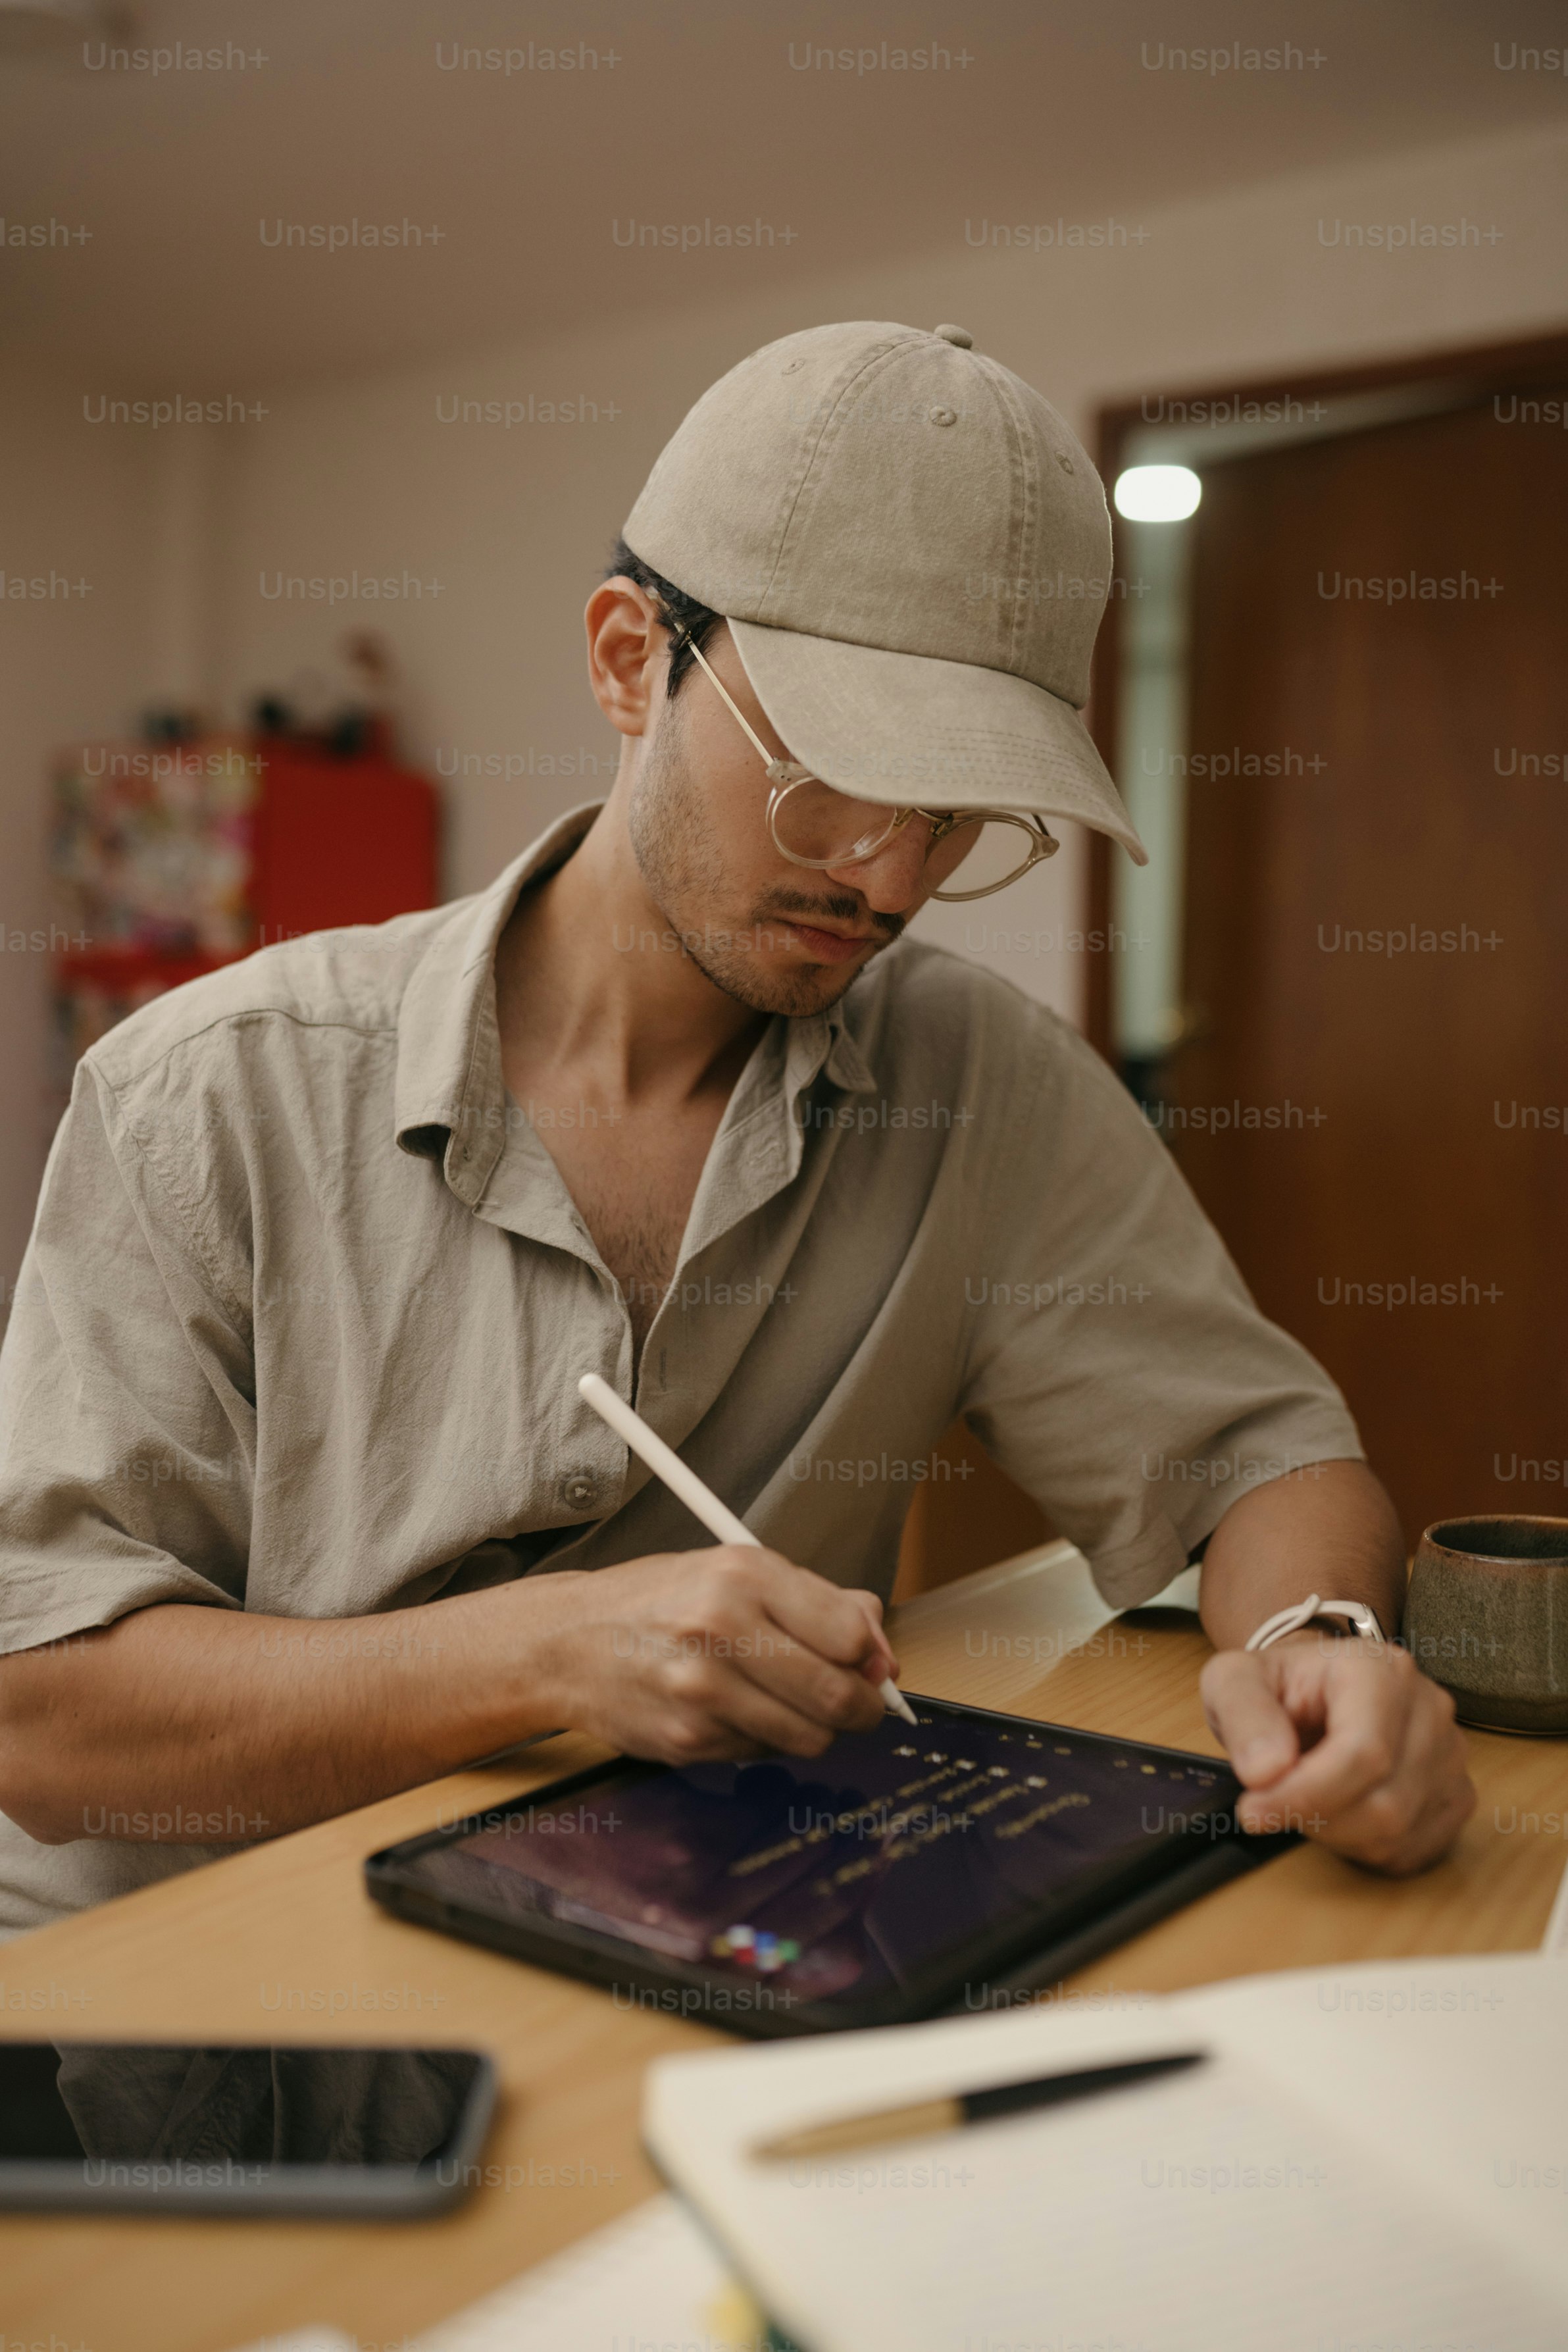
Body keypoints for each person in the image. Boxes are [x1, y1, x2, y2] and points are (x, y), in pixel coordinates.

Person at [0, 320, 1472, 1938]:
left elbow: (1264, 1456)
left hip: (664, 1948)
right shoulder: (208, 1092)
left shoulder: (974, 1085)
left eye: (960, 811)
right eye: (835, 775)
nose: (893, 880)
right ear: (631, 657)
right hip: (169, 2001)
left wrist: (1319, 1643)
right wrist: (550, 1649)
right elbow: (45, 1714)